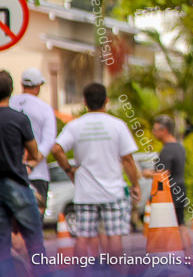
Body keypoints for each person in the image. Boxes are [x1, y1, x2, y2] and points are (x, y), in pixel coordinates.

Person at [51, 83, 141, 258]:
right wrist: (135, 184)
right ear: (106, 101)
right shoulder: (117, 125)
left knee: (83, 237)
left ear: (85, 102)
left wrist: (69, 170)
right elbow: (128, 159)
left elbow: (56, 149)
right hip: (113, 192)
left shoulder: (75, 126)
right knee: (114, 236)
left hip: (85, 192)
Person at [0, 70, 46, 274]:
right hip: (17, 182)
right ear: (11, 90)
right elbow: (34, 151)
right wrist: (31, 161)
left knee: (2, 245)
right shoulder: (19, 119)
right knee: (34, 239)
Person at [138, 115, 190, 252]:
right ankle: (189, 254)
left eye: (156, 130)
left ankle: (167, 255)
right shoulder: (179, 147)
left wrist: (148, 174)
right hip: (180, 189)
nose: (154, 133)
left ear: (164, 130)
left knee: (166, 225)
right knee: (181, 224)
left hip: (168, 194)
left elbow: (163, 174)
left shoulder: (167, 151)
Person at [9, 68, 57, 214]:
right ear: (38, 86)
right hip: (38, 175)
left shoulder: (9, 103)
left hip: (10, 172)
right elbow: (48, 141)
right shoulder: (44, 108)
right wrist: (32, 164)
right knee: (35, 223)